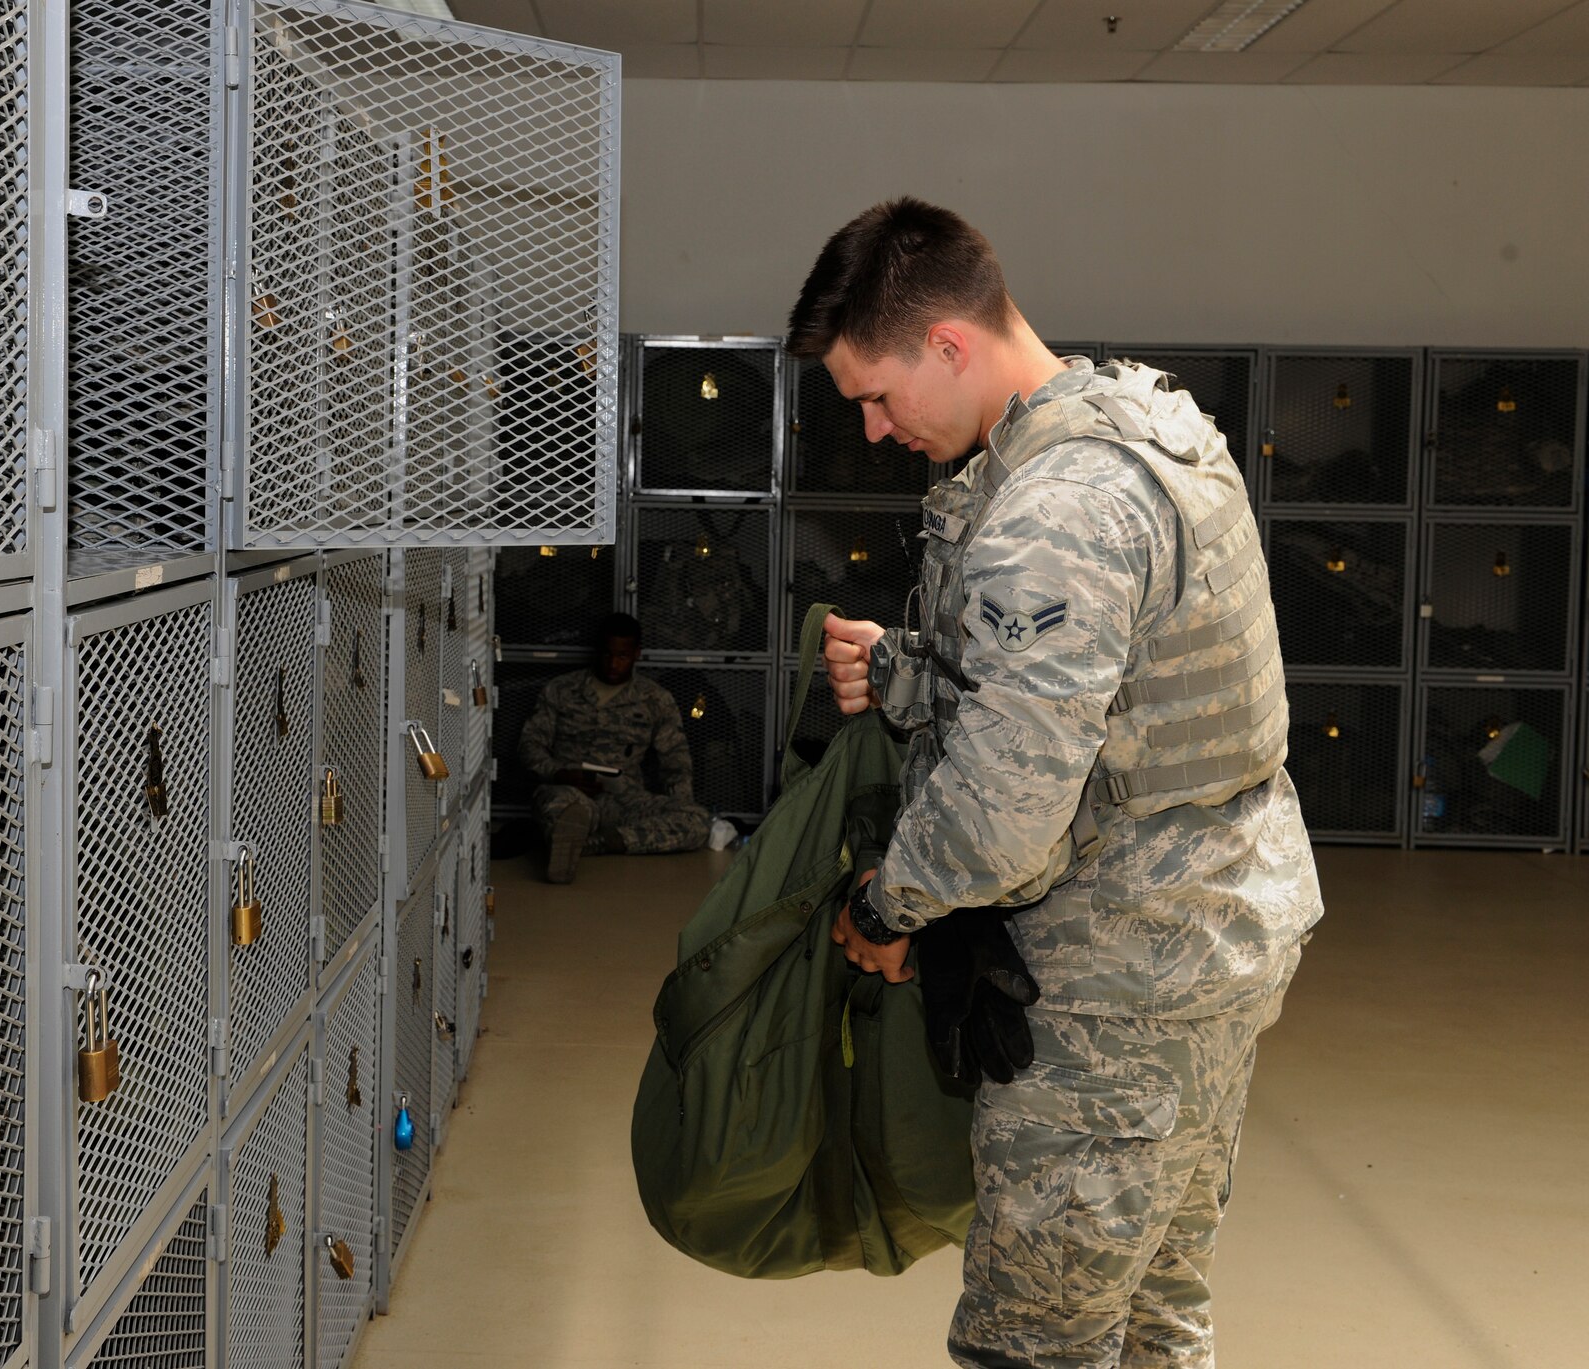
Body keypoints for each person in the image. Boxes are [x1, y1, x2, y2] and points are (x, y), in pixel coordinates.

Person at [794, 199, 1323, 1368]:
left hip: (1114, 991)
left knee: (1036, 1341)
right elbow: (1109, 702)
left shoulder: (1056, 509)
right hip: (1207, 937)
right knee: (1154, 1311)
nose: (874, 430)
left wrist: (888, 906)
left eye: (876, 395)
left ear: (947, 342)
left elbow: (1007, 807)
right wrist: (901, 671)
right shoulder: (1138, 420)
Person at [518, 612, 711, 884]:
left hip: (624, 799)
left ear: (636, 654)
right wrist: (558, 773)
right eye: (607, 654)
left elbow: (676, 759)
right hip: (570, 791)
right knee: (560, 808)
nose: (613, 663)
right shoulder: (561, 689)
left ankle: (600, 843)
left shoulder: (655, 698)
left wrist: (680, 803)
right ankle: (572, 834)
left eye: (622, 656)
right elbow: (530, 745)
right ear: (598, 651)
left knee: (699, 821)